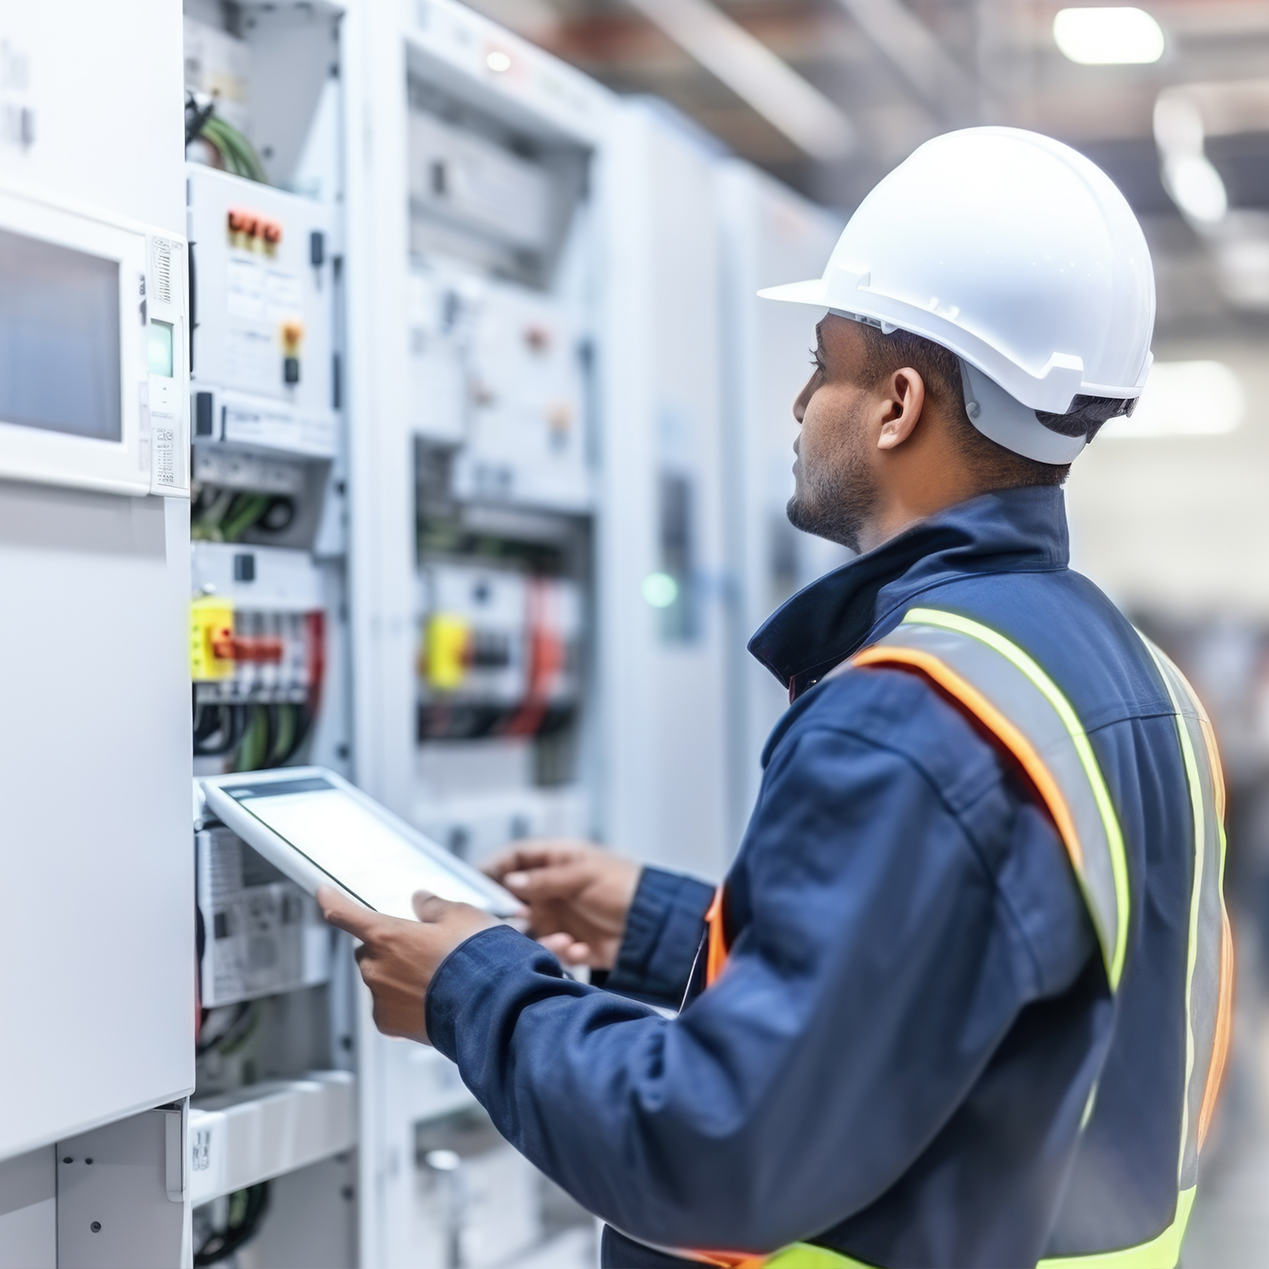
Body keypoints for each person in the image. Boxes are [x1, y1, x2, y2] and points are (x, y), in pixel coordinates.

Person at [319, 128, 1233, 1269]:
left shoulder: (915, 713)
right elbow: (967, 982)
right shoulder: (1128, 679)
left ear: (897, 404)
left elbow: (714, 1152)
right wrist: (659, 923)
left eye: (824, 361)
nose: (801, 400)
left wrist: (473, 990)